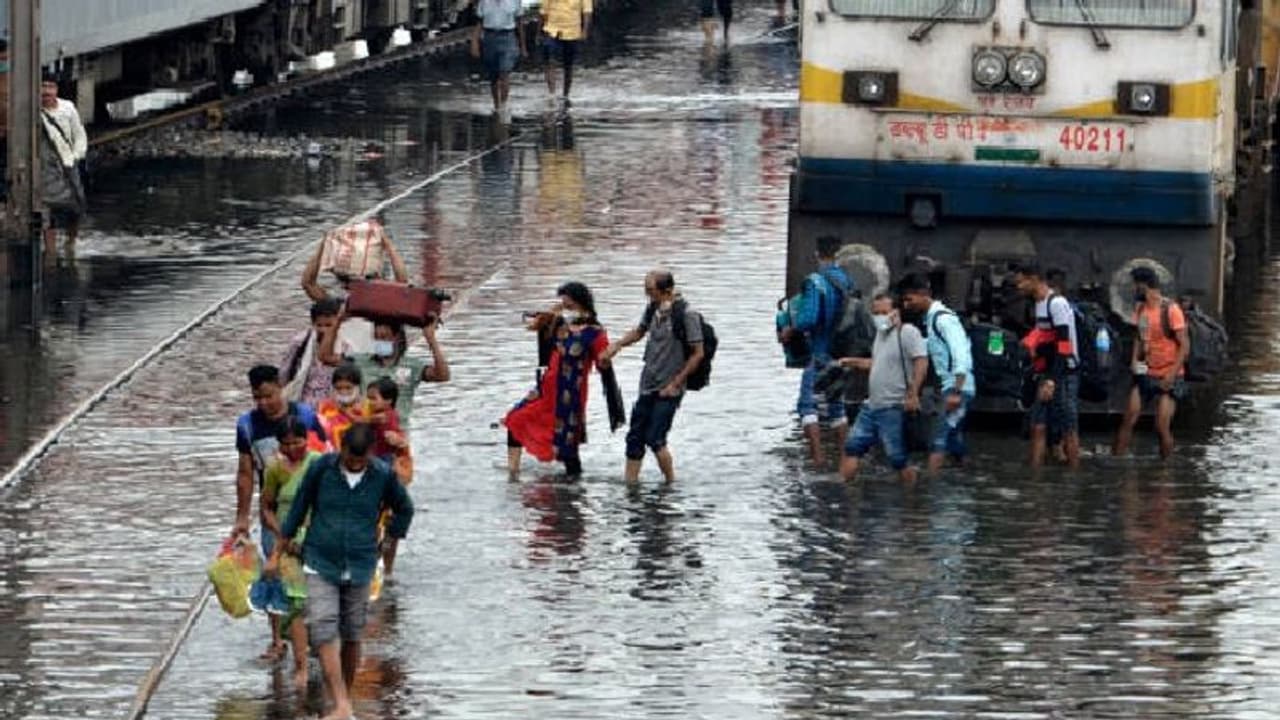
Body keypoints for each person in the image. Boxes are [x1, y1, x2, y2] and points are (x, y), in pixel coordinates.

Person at [280, 423, 414, 720]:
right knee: (323, 627)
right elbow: (300, 505)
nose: (354, 465)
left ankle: (342, 702)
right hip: (320, 559)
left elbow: (405, 508)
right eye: (349, 459)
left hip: (360, 562)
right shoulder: (322, 469)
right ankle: (340, 702)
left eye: (360, 461)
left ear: (370, 454)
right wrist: (281, 546)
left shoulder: (382, 475)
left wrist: (389, 539)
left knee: (352, 633)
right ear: (341, 449)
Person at [233, 365, 327, 661]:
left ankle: (311, 631)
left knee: (311, 574)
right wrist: (241, 518)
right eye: (257, 397)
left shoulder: (306, 417)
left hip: (310, 512)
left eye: (269, 395)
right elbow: (246, 473)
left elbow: (325, 460)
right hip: (274, 511)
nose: (264, 403)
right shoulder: (247, 425)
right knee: (274, 574)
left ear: (280, 387)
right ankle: (277, 640)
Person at [602, 269, 704, 484]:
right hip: (648, 383)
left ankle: (670, 483)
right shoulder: (652, 309)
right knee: (634, 437)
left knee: (656, 438)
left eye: (650, 290)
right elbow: (639, 332)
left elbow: (698, 353)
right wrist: (617, 345)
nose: (647, 294)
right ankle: (630, 484)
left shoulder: (687, 314)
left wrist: (676, 383)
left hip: (671, 387)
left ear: (666, 290)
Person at [504, 282, 611, 478]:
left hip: (570, 394)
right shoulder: (561, 324)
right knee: (515, 419)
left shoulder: (595, 332)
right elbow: (534, 327)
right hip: (546, 390)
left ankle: (574, 485)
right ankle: (513, 474)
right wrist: (552, 313)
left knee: (567, 447)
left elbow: (603, 362)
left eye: (565, 298)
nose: (563, 302)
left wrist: (612, 352)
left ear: (576, 300)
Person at [260, 417, 323, 689]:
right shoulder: (274, 469)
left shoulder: (319, 463)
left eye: (297, 442)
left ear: (306, 439)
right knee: (295, 602)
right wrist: (282, 534)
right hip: (286, 542)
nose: (292, 449)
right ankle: (301, 666)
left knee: (321, 600)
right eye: (286, 444)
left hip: (318, 539)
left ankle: (320, 650)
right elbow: (266, 507)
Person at [837, 293, 927, 483]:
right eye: (876, 313)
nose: (879, 317)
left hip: (893, 405)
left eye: (884, 312)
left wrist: (913, 394)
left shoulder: (908, 332)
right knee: (852, 447)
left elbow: (921, 360)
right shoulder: (880, 334)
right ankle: (844, 491)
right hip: (871, 405)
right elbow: (878, 363)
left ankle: (913, 494)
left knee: (897, 458)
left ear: (896, 311)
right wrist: (853, 362)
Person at [779, 235, 852, 466]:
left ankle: (818, 460)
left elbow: (808, 319)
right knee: (836, 406)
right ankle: (846, 459)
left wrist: (791, 329)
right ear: (838, 255)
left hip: (819, 352)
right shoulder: (846, 281)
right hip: (840, 353)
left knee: (807, 406)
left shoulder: (815, 282)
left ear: (817, 254)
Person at [898, 272, 976, 472]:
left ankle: (932, 484)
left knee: (938, 440)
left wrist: (956, 391)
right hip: (950, 386)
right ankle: (967, 473)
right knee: (952, 439)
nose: (906, 305)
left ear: (923, 293)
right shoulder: (931, 320)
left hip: (957, 387)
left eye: (909, 299)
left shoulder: (943, 319)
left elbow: (960, 353)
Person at [301, 218, 410, 356]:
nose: (353, 288)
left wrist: (388, 245)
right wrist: (324, 246)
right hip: (348, 362)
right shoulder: (339, 307)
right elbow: (308, 283)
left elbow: (402, 284)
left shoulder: (381, 309)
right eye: (348, 284)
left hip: (374, 362)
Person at [1113, 267, 1190, 459]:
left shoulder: (1171, 310)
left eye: (1135, 285)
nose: (1133, 290)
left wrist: (1171, 375)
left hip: (1169, 374)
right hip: (1147, 371)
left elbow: (1184, 345)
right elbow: (1140, 337)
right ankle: (1118, 460)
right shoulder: (1141, 309)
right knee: (1129, 418)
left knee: (1161, 425)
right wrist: (1134, 360)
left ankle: (1166, 466)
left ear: (1143, 285)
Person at [320, 314, 451, 425]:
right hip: (367, 431)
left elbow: (442, 375)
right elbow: (326, 357)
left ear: (397, 338)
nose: (379, 341)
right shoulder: (361, 361)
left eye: (384, 337)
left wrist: (430, 338)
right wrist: (337, 322)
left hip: (398, 432)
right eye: (376, 337)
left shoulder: (412, 366)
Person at [1013, 262, 1081, 468]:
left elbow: (1064, 344)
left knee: (1068, 426)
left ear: (1034, 279)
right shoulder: (1038, 304)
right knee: (1038, 424)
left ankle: (1074, 470)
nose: (1018, 287)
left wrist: (1052, 380)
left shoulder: (1056, 303)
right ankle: (1036, 472)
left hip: (1064, 373)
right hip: (1046, 370)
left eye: (1021, 282)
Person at [39, 73, 88, 258]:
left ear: (56, 90)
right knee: (47, 209)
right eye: (43, 86)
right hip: (46, 167)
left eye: (50, 87)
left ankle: (71, 243)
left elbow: (79, 134)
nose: (46, 91)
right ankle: (50, 251)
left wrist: (76, 156)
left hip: (68, 163)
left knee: (75, 206)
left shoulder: (68, 108)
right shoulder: (33, 112)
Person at [280, 298, 350, 406]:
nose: (323, 330)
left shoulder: (345, 346)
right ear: (313, 323)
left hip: (333, 403)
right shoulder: (301, 342)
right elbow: (286, 370)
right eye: (319, 325)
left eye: (328, 325)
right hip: (303, 400)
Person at [472, 0, 526, 119]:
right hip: (489, 37)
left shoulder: (514, 1)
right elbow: (479, 23)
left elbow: (520, 23)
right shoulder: (484, 2)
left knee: (504, 72)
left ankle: (503, 104)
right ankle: (496, 104)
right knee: (493, 75)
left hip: (508, 36)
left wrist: (523, 46)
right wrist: (474, 43)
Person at [540, 0, 592, 107]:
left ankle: (566, 93)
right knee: (550, 61)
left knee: (568, 65)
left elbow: (587, 11)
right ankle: (552, 93)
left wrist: (585, 31)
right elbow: (544, 11)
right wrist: (542, 29)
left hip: (572, 32)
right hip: (552, 30)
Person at [315, 363, 369, 451]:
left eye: (348, 388)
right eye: (339, 388)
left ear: (358, 387)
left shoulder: (367, 408)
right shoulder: (325, 406)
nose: (343, 392)